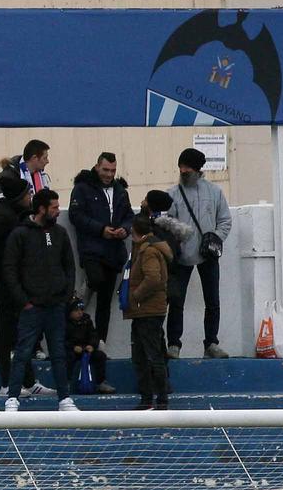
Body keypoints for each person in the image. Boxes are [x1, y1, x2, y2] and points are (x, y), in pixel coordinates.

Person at [1, 189, 80, 412]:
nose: (58, 211)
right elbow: (10, 269)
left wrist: (65, 296)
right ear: (41, 209)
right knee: (23, 351)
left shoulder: (60, 233)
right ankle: (13, 397)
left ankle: (64, 398)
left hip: (55, 305)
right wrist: (23, 300)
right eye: (54, 207)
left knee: (58, 353)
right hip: (31, 306)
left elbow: (69, 267)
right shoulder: (20, 235)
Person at [0, 169, 43, 398]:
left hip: (16, 281)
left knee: (20, 332)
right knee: (6, 332)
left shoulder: (16, 213)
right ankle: (6, 384)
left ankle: (29, 381)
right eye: (27, 195)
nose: (30, 198)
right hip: (5, 284)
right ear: (18, 197)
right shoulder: (2, 215)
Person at [69, 152, 133, 383]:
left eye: (112, 171)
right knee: (94, 281)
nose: (109, 175)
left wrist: (124, 229)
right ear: (97, 167)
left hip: (114, 252)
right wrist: (101, 229)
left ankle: (100, 340)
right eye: (105, 170)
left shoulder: (120, 191)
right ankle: (80, 315)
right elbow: (77, 215)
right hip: (93, 250)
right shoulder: (83, 188)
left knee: (105, 300)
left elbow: (128, 216)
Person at [167, 147, 233, 359]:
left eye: (187, 167)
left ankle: (211, 343)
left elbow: (225, 220)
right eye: (181, 166)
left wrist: (215, 238)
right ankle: (174, 344)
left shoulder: (214, 192)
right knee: (176, 302)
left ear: (197, 169)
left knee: (212, 300)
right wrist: (177, 237)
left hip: (208, 254)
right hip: (181, 256)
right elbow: (166, 224)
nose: (183, 170)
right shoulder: (172, 194)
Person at [126, 214, 174, 409]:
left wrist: (135, 296)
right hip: (148, 310)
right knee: (147, 354)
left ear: (135, 231)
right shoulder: (152, 247)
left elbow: (153, 278)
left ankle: (157, 399)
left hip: (147, 310)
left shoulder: (148, 251)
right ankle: (152, 398)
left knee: (150, 355)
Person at [0, 139, 52, 211]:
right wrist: (13, 219)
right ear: (34, 158)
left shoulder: (40, 177)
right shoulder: (8, 176)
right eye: (45, 158)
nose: (47, 161)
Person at [66, 297, 101, 393]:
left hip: (86, 349)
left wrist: (92, 345)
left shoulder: (87, 321)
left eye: (81, 310)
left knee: (100, 356)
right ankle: (67, 383)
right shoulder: (65, 323)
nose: (80, 313)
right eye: (76, 311)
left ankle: (100, 382)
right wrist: (73, 347)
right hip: (72, 350)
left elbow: (94, 335)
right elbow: (62, 340)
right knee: (68, 358)